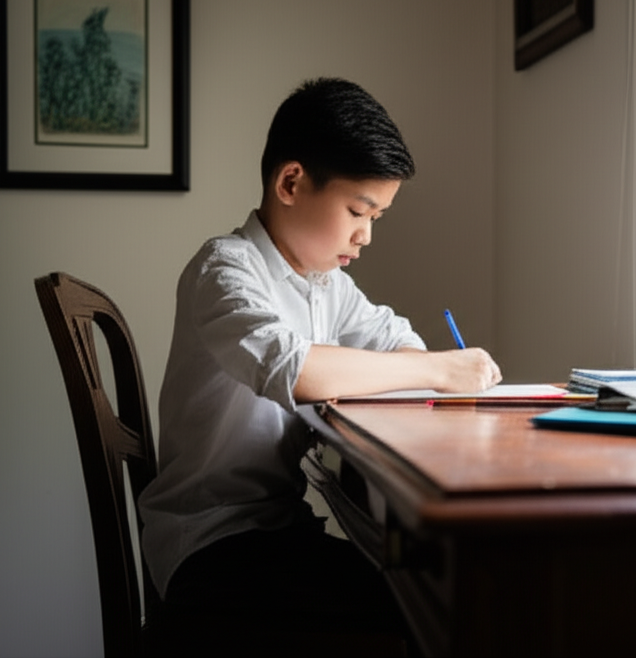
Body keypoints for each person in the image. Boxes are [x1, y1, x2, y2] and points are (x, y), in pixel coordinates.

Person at [138, 77, 501, 655]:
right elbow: (294, 369)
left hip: (277, 527)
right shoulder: (224, 270)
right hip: (209, 541)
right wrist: (438, 371)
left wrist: (427, 364)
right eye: (360, 210)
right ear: (291, 182)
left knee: (427, 589)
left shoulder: (325, 284)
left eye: (379, 216)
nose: (368, 235)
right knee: (427, 606)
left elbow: (398, 340)